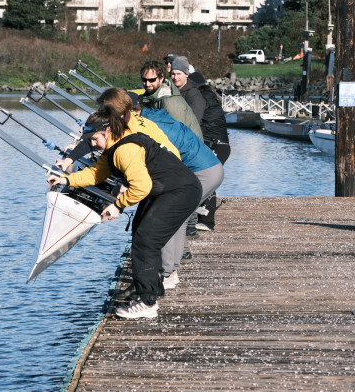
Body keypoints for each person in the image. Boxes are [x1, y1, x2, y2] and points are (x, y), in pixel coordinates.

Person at [46, 107, 202, 320]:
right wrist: (65, 180)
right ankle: (151, 289)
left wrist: (118, 206)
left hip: (180, 191)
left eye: (94, 139)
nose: (92, 144)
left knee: (146, 240)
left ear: (108, 131)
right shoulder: (112, 148)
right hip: (165, 189)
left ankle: (147, 303)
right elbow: (95, 173)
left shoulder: (123, 150)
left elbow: (141, 186)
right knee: (141, 234)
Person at [98, 88, 223, 291]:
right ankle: (169, 270)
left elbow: (168, 157)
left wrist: (124, 194)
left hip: (203, 170)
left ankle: (167, 273)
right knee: (172, 219)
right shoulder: (148, 116)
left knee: (165, 221)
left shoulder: (144, 127)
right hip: (206, 165)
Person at [190, 71, 231, 232]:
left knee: (207, 179)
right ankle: (203, 214)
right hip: (220, 145)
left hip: (215, 145)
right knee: (207, 178)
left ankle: (207, 220)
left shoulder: (201, 99)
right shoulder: (209, 96)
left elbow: (195, 121)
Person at [138, 60, 203, 140]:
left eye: (152, 80)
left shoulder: (170, 102)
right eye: (144, 80)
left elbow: (179, 136)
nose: (147, 84)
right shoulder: (149, 97)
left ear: (161, 78)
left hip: (189, 148)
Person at [169, 56, 206, 123]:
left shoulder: (194, 95)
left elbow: (194, 121)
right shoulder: (169, 91)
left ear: (186, 74)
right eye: (173, 74)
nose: (175, 77)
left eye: (179, 74)